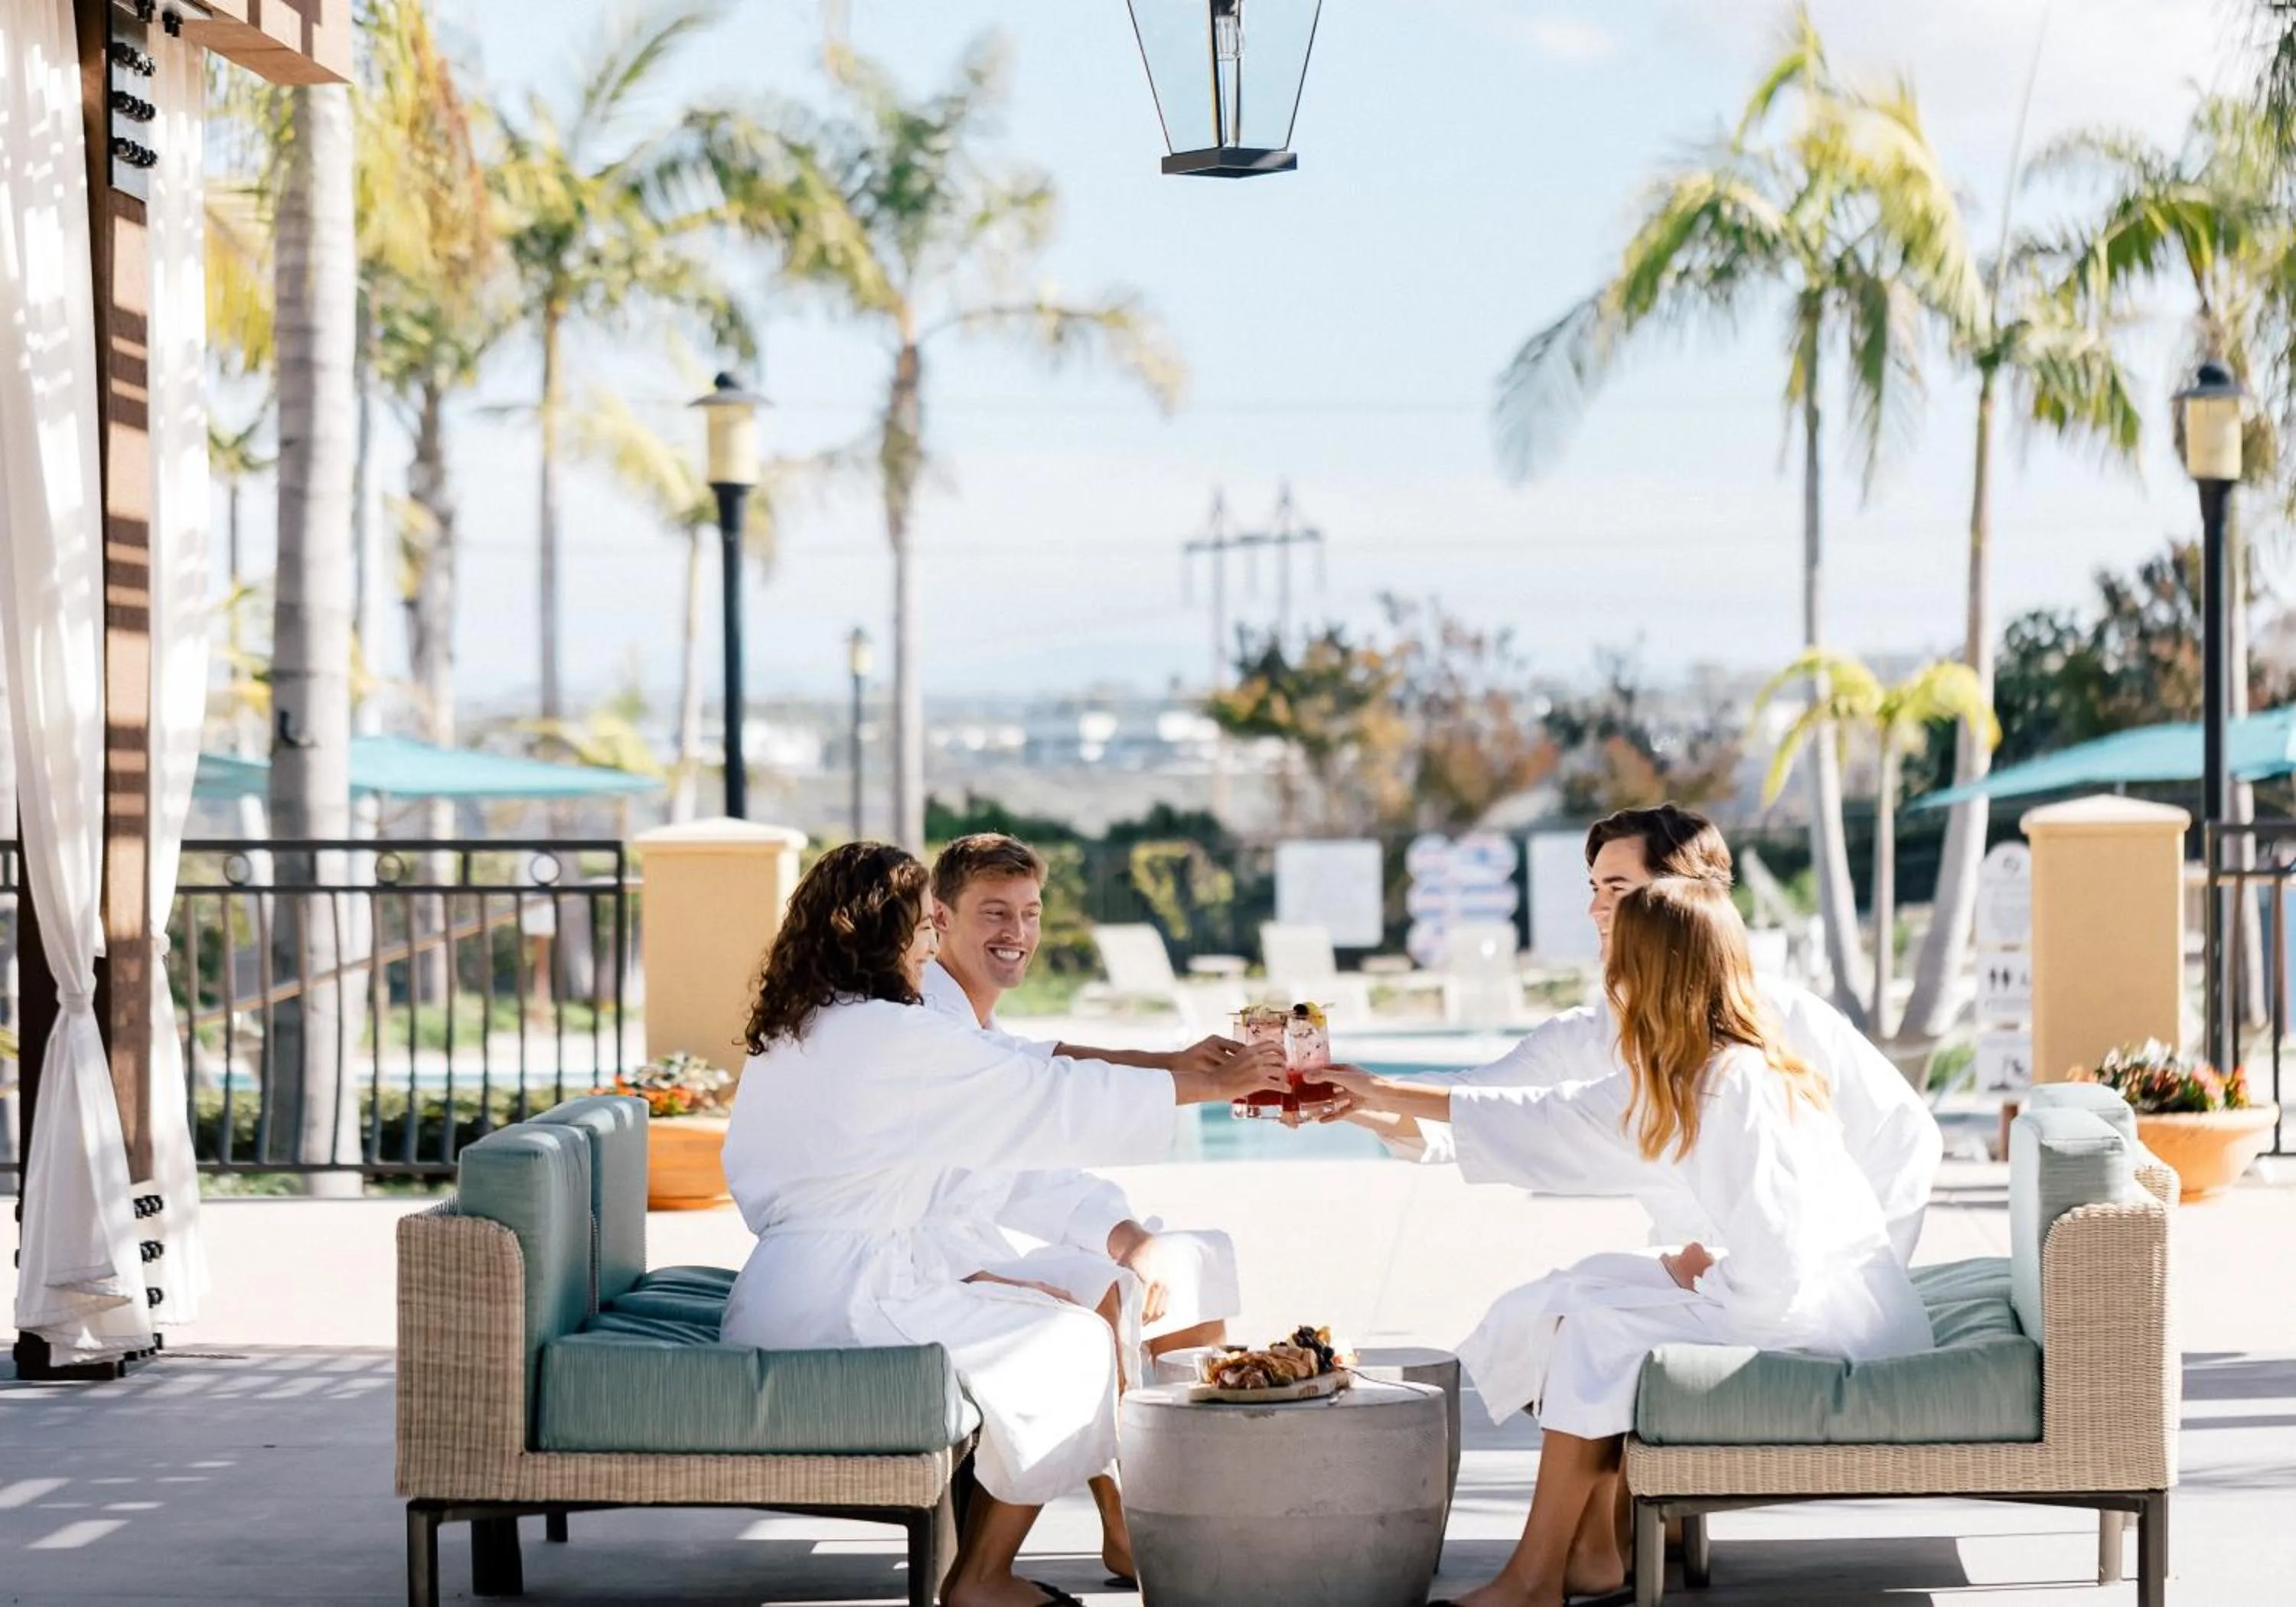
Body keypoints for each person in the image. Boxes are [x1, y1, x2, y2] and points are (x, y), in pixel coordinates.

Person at [1325, 878, 1932, 1607]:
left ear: (1653, 969)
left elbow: (1784, 1263)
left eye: (1622, 950)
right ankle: (1590, 1553)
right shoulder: (1692, 1068)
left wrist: (1706, 1275)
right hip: (1788, 1290)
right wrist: (1376, 1092)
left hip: (1827, 1318)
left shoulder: (1736, 1084)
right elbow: (1539, 1114)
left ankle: (1534, 1579)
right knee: (1572, 1291)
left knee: (1594, 1331)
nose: (1608, 963)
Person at [719, 841, 1287, 1607]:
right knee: (1071, 1342)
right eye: (922, 929)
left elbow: (1028, 1065)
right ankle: (984, 1579)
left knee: (1075, 1308)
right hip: (848, 1302)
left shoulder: (805, 1027)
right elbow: (1043, 1090)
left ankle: (1115, 1530)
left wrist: (1179, 1070)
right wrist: (1206, 1087)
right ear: (885, 933)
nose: (928, 948)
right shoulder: (893, 1035)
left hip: (790, 1292)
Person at [1345, 804, 1942, 1263]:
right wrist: (1355, 1101)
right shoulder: (1592, 1034)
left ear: (1680, 902)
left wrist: (1863, 1275)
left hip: (1793, 1288)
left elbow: (1903, 1134)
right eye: (1594, 889)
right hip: (1689, 1279)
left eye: (1618, 890)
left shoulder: (1784, 1020)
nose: (1595, 911)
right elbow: (1486, 1104)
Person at [921, 832, 1266, 1582]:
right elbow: (1054, 1088)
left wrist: (1132, 1235)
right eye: (994, 912)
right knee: (1104, 1294)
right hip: (923, 1267)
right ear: (939, 917)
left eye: (1030, 912)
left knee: (1186, 1264)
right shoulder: (927, 1027)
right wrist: (1189, 1078)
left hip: (971, 1251)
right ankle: (1133, 1523)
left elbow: (1027, 1163)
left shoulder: (977, 1028)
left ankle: (1175, 1505)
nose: (1017, 932)